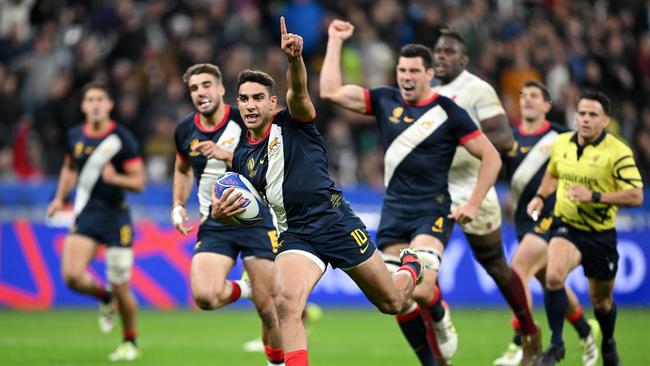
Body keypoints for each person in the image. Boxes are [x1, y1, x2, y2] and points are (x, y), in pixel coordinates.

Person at [196, 17, 425, 366]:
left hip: (334, 221)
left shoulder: (294, 122)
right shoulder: (241, 156)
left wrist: (293, 60)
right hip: (295, 233)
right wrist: (219, 212)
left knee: (392, 302)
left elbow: (299, 92)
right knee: (286, 303)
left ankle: (410, 266)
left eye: (259, 97)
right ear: (238, 104)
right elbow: (250, 205)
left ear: (273, 103)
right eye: (244, 99)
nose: (251, 105)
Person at [320, 20, 502, 365]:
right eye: (401, 70)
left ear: (429, 73)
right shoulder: (385, 100)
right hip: (394, 210)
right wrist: (334, 40)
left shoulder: (449, 112)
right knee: (397, 299)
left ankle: (438, 311)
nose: (405, 76)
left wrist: (475, 201)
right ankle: (431, 361)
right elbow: (330, 91)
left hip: (431, 209)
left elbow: (490, 155)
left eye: (413, 71)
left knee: (418, 286)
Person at [431, 30, 542, 364]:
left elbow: (505, 139)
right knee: (420, 268)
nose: (441, 56)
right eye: (437, 51)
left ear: (463, 59)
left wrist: (456, 139)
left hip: (473, 186)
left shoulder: (476, 89)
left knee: (496, 266)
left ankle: (529, 331)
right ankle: (439, 337)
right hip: (434, 191)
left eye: (449, 51)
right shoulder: (428, 92)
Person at [172, 63, 285, 366]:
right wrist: (178, 205)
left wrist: (229, 156)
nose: (200, 92)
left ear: (221, 90)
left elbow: (273, 157)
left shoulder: (245, 118)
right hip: (215, 223)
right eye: (194, 88)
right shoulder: (185, 129)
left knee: (270, 309)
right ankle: (245, 287)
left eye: (206, 85)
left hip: (257, 221)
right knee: (205, 297)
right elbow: (182, 168)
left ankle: (276, 363)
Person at [528, 91, 643, 366]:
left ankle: (608, 342)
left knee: (601, 303)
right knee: (553, 277)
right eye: (582, 113)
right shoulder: (563, 143)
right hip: (566, 225)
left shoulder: (618, 152)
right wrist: (540, 196)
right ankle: (556, 345)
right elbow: (553, 173)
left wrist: (596, 196)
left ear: (605, 121)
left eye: (593, 115)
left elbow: (636, 195)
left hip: (600, 235)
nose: (586, 119)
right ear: (575, 116)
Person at [495, 81, 599, 366]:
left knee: (517, 270)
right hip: (523, 221)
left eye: (533, 96)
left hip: (554, 218)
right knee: (551, 283)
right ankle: (585, 330)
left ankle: (523, 343)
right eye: (523, 95)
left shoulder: (561, 136)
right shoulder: (510, 139)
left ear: (546, 105)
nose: (526, 100)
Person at [46, 82, 145, 361]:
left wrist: (117, 179)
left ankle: (130, 341)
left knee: (122, 285)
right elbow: (69, 168)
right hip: (87, 215)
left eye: (100, 99)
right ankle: (104, 297)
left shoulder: (122, 138)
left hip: (116, 217)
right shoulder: (75, 135)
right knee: (72, 277)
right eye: (90, 99)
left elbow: (139, 182)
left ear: (110, 105)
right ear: (83, 106)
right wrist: (58, 198)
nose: (95, 104)